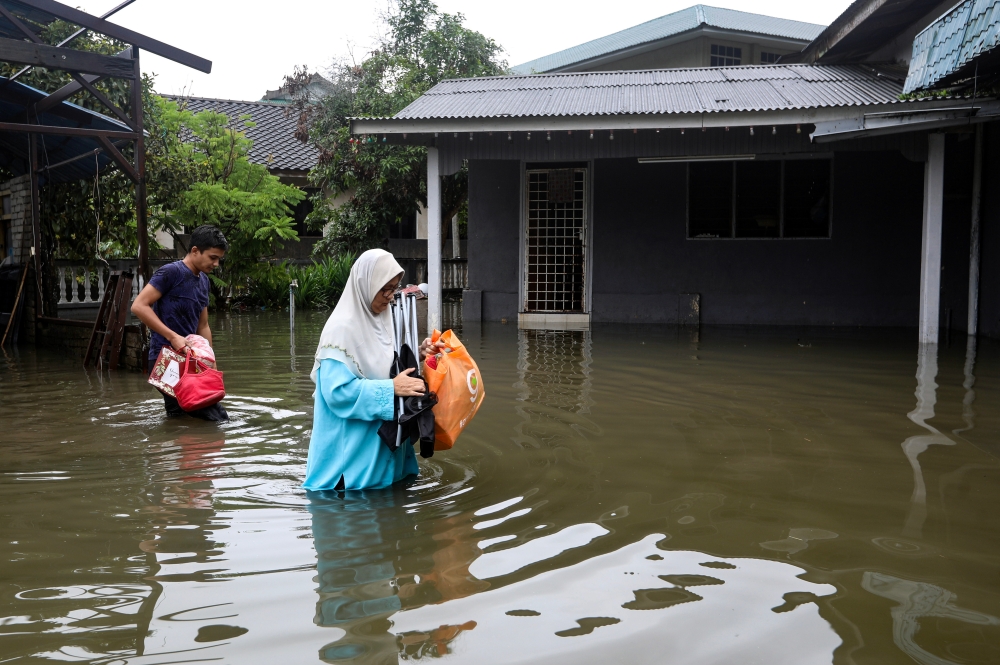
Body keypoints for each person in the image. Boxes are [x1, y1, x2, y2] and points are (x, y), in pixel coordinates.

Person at [304, 249, 443, 491]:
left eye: (394, 288)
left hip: (382, 444)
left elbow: (385, 365)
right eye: (385, 288)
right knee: (352, 517)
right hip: (351, 453)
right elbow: (337, 393)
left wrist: (419, 354)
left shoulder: (383, 318)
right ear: (366, 284)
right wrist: (391, 389)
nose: (390, 296)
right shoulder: (341, 329)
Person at [132, 225, 229, 422]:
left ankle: (178, 448)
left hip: (189, 361)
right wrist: (173, 336)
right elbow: (139, 306)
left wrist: (210, 362)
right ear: (195, 251)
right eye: (212, 257)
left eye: (219, 259)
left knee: (181, 416)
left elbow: (203, 326)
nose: (216, 263)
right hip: (165, 359)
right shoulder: (171, 272)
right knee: (215, 416)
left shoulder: (203, 281)